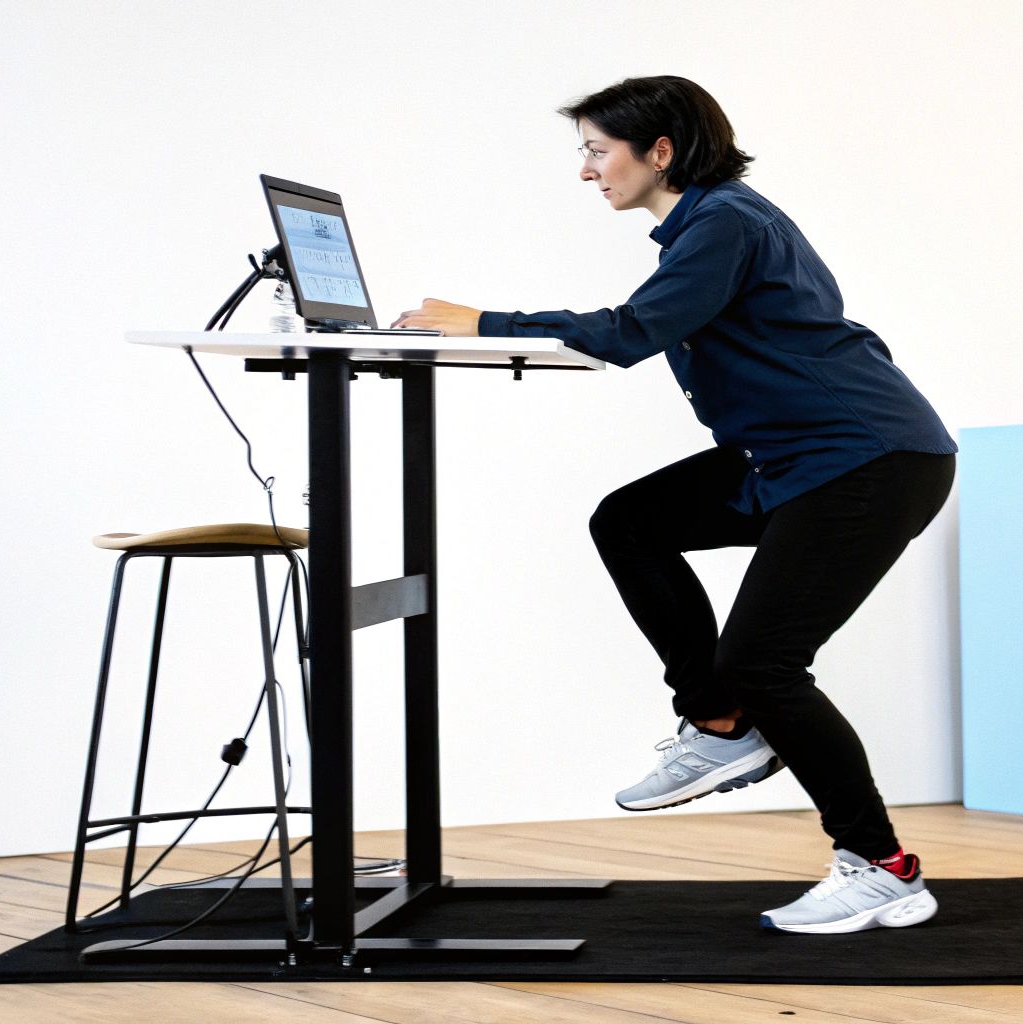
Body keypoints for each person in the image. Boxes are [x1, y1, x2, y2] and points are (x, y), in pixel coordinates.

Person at [392, 75, 956, 934]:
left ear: (659, 151)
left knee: (765, 662)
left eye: (596, 151)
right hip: (792, 457)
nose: (587, 171)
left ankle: (881, 868)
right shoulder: (708, 225)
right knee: (631, 522)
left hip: (864, 460)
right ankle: (720, 722)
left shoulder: (726, 220)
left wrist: (483, 322)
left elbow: (631, 332)